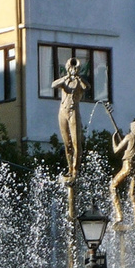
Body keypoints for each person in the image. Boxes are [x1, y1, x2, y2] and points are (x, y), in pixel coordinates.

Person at [51, 57, 90, 186]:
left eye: (74, 68)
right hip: (63, 112)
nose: (72, 69)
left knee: (76, 143)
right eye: (70, 67)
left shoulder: (79, 82)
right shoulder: (64, 82)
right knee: (67, 143)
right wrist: (66, 77)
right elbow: (53, 85)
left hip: (73, 112)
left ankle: (75, 170)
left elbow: (87, 87)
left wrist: (78, 78)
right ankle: (69, 168)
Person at [109, 119, 135, 227]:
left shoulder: (129, 137)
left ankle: (119, 216)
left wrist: (114, 139)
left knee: (113, 186)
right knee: (132, 194)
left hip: (127, 166)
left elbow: (116, 150)